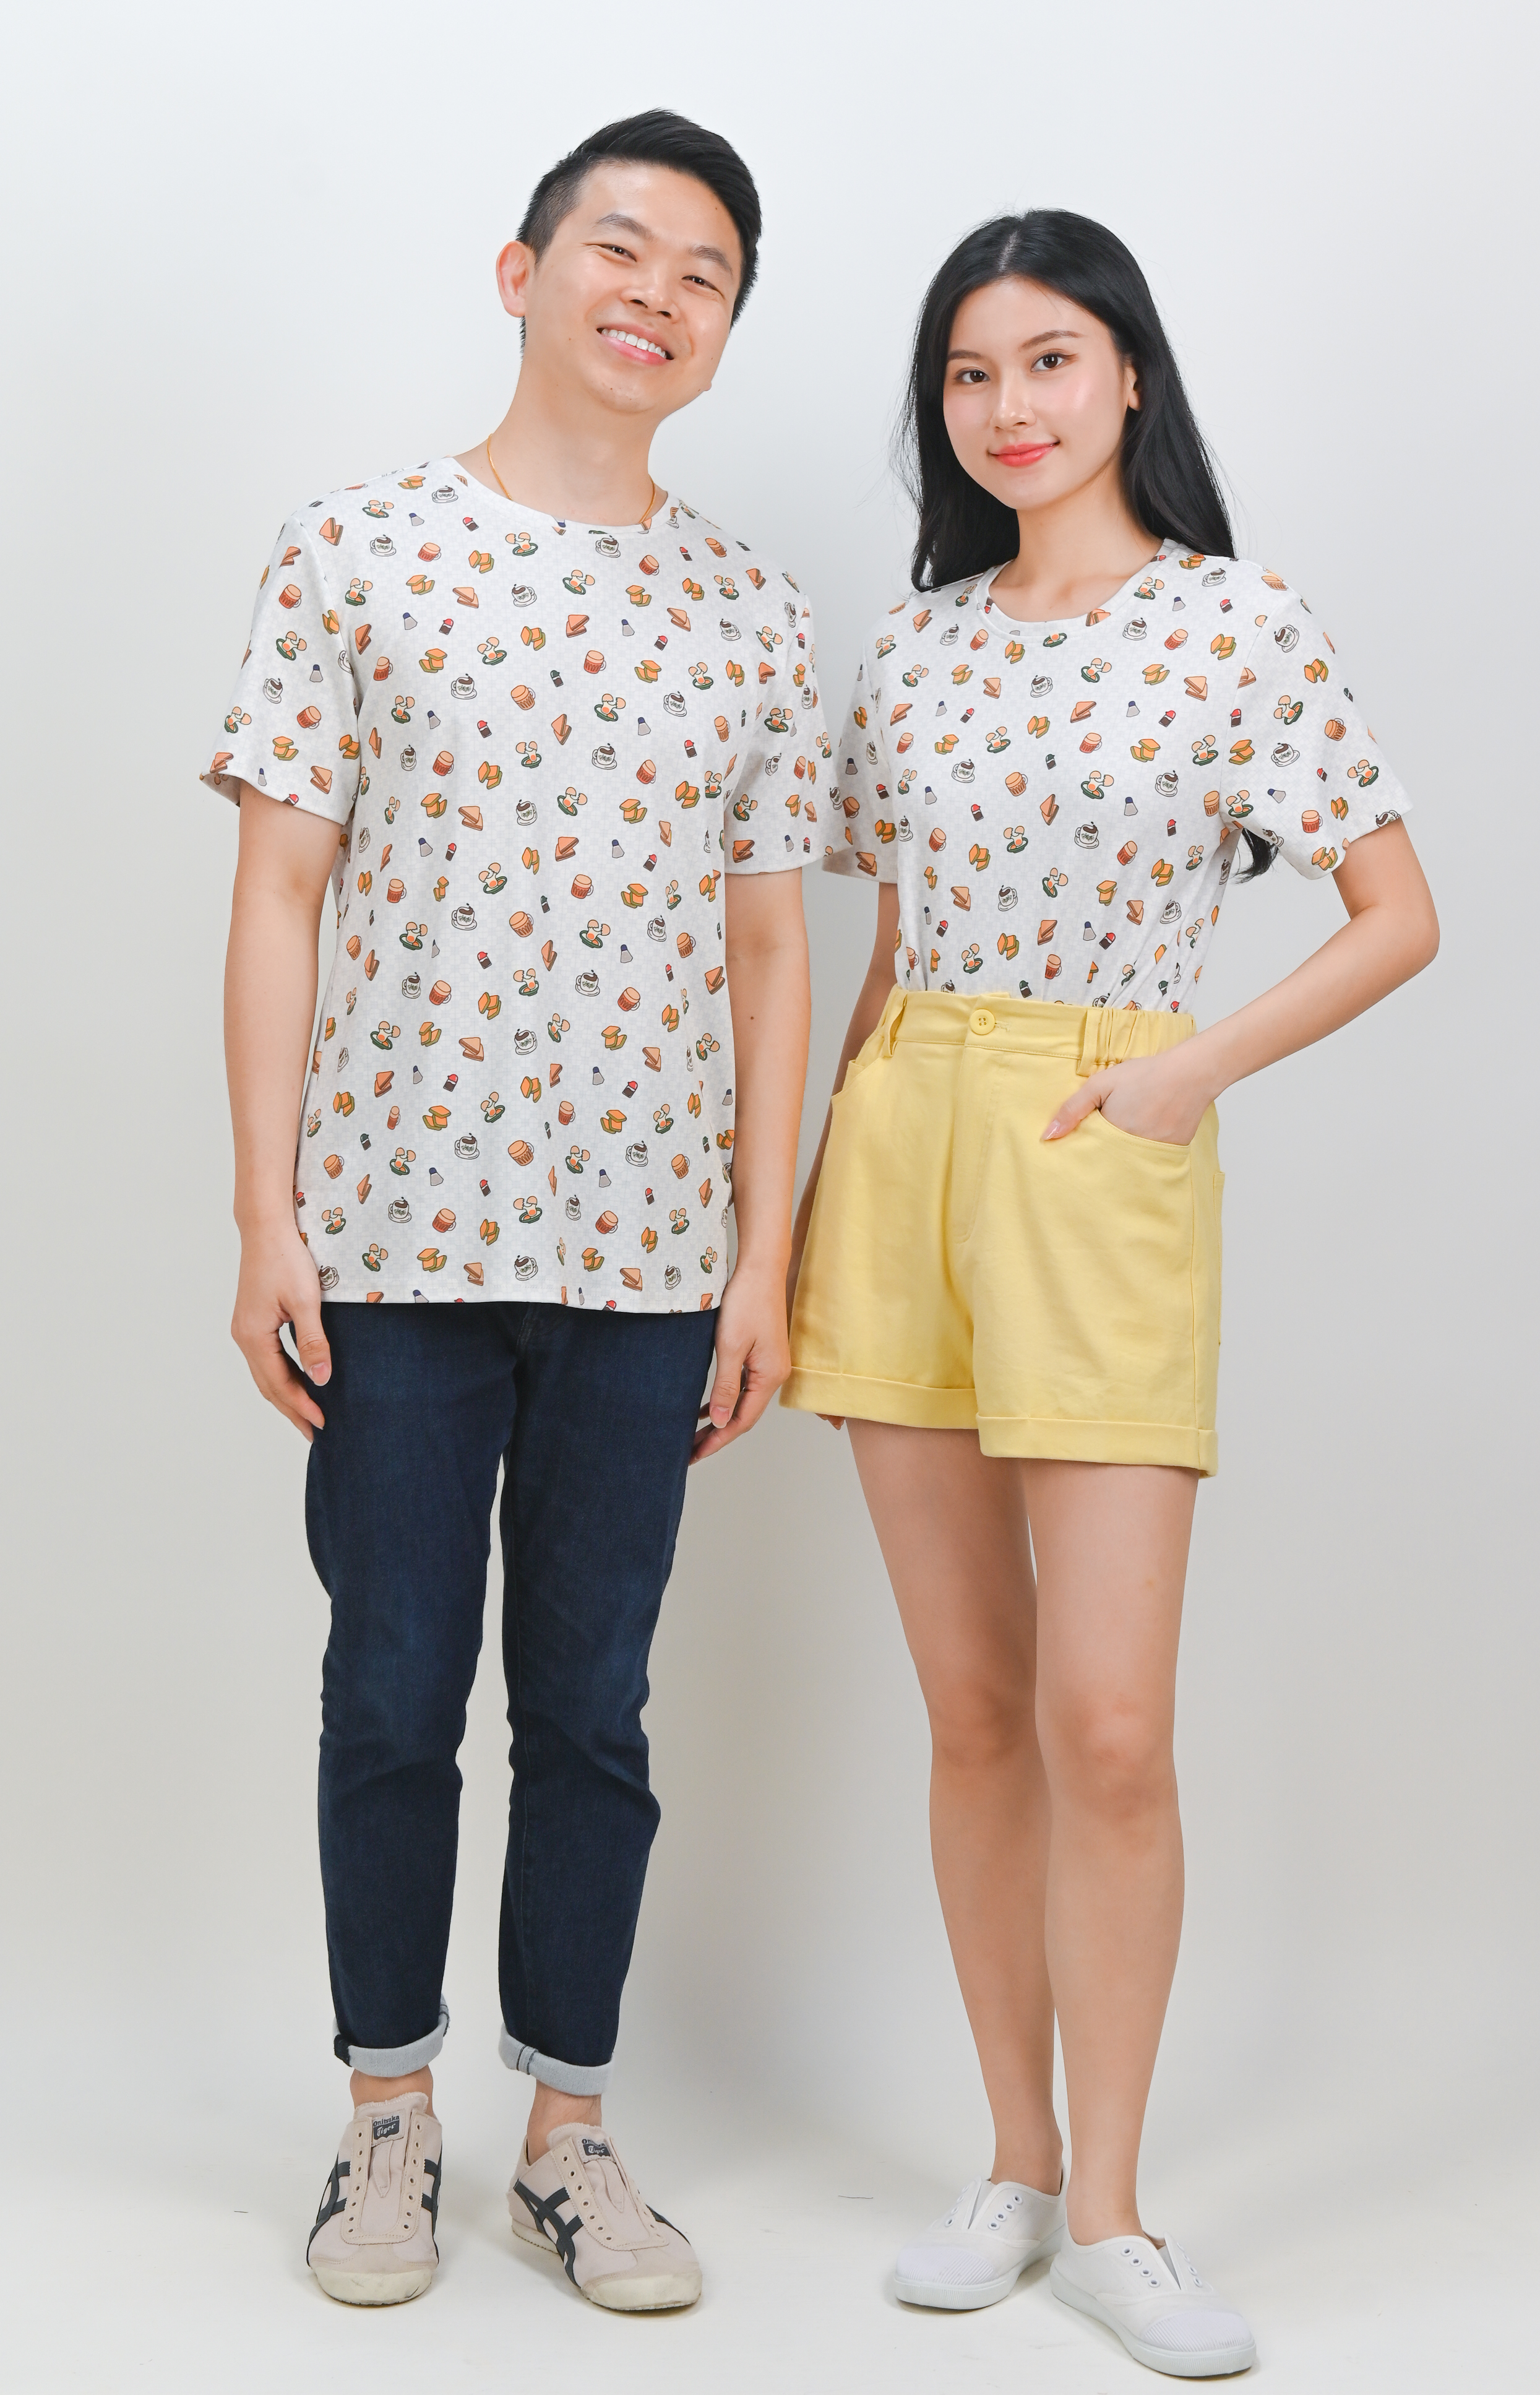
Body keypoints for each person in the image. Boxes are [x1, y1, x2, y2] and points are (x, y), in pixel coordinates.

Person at [783, 211, 1437, 2378]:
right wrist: (812, 1208)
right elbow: (887, 947)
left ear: (1129, 374)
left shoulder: (1236, 622)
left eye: (1049, 360)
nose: (1009, 407)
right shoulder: (916, 647)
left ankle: (1118, 2216)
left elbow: (1393, 913)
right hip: (905, 1134)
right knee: (973, 1709)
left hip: (1098, 1131)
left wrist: (1181, 1072)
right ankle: (1013, 2159)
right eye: (969, 374)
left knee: (1109, 1726)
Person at [205, 110, 829, 2313]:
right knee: (391, 1686)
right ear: (523, 271)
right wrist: (267, 1217)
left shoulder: (754, 610)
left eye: (704, 274)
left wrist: (763, 1259)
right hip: (391, 1243)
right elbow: (277, 895)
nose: (655, 294)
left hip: (650, 1261)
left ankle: (569, 2134)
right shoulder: (354, 552)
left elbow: (772, 951)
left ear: (724, 332)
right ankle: (386, 2118)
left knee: (590, 1706)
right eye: (619, 249)